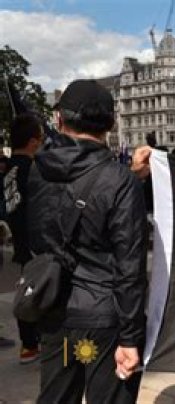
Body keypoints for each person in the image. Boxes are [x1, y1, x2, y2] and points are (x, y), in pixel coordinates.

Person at [25, 79, 147, 403]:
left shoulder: (39, 170)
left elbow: (39, 234)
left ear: (59, 120)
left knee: (58, 396)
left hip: (56, 309)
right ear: (111, 124)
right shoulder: (119, 181)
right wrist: (131, 336)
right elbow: (130, 266)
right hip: (102, 320)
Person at [5, 114, 43, 362]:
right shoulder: (33, 170)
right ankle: (35, 343)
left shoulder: (9, 169)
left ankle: (29, 345)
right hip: (36, 241)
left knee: (27, 290)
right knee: (40, 293)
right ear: (32, 141)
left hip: (20, 239)